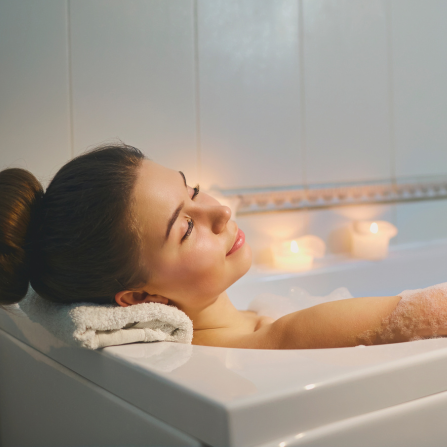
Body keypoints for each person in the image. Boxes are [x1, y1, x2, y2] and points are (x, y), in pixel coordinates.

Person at [1, 143, 445, 349]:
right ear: (140, 298)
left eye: (192, 190)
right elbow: (286, 334)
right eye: (186, 228)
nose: (221, 211)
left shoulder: (255, 316)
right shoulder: (265, 341)